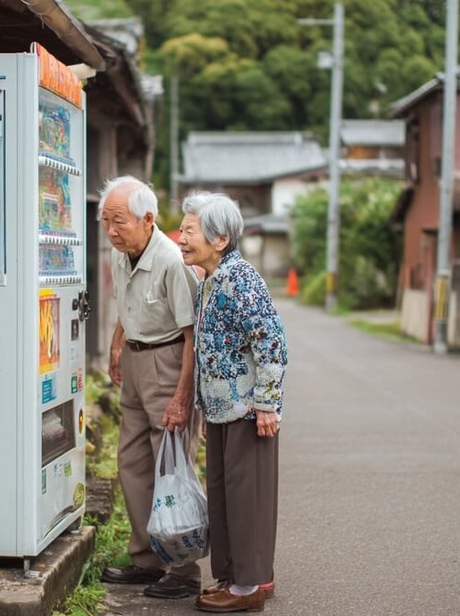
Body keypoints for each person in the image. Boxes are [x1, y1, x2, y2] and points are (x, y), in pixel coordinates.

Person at [177, 192, 287, 613]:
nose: (182, 238)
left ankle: (248, 588)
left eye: (190, 231)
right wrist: (206, 408)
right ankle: (239, 577)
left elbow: (272, 344)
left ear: (220, 239)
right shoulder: (210, 280)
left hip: (247, 412)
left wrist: (267, 405)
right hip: (223, 410)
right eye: (184, 230)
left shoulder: (242, 280)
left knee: (247, 499)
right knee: (225, 496)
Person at [97, 176, 203, 599]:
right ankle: (147, 559)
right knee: (132, 462)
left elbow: (193, 334)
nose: (111, 231)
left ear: (148, 218)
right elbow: (126, 303)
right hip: (137, 360)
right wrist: (116, 343)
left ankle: (184, 570)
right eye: (106, 222)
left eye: (118, 221)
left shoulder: (172, 261)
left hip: (168, 361)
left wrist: (181, 397)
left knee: (172, 466)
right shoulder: (122, 252)